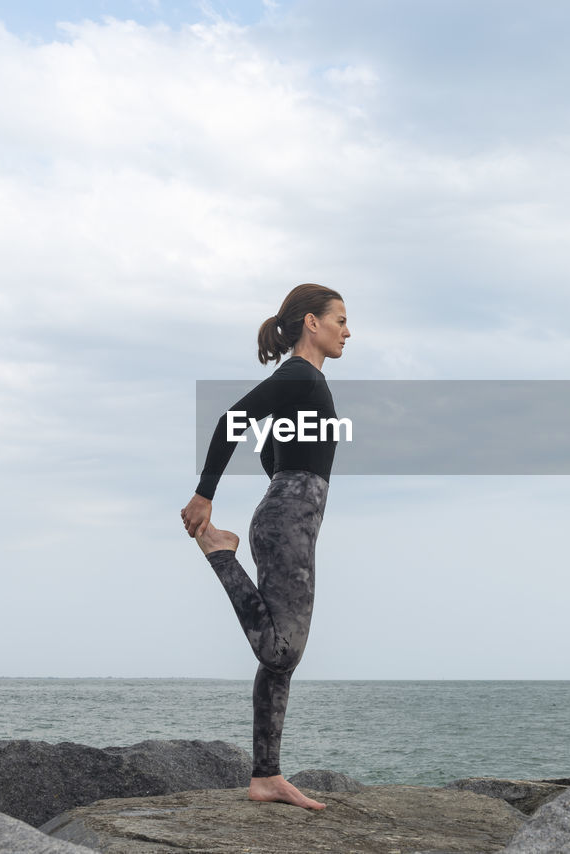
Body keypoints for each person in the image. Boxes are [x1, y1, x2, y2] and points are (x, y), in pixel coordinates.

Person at [180, 283, 350, 810]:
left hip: (287, 515)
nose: (347, 332)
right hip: (288, 521)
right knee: (282, 649)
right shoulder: (299, 375)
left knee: (280, 661)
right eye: (339, 320)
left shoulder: (304, 385)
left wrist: (283, 487)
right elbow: (231, 420)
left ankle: (265, 777)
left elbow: (272, 456)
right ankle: (218, 551)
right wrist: (204, 495)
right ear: (311, 324)